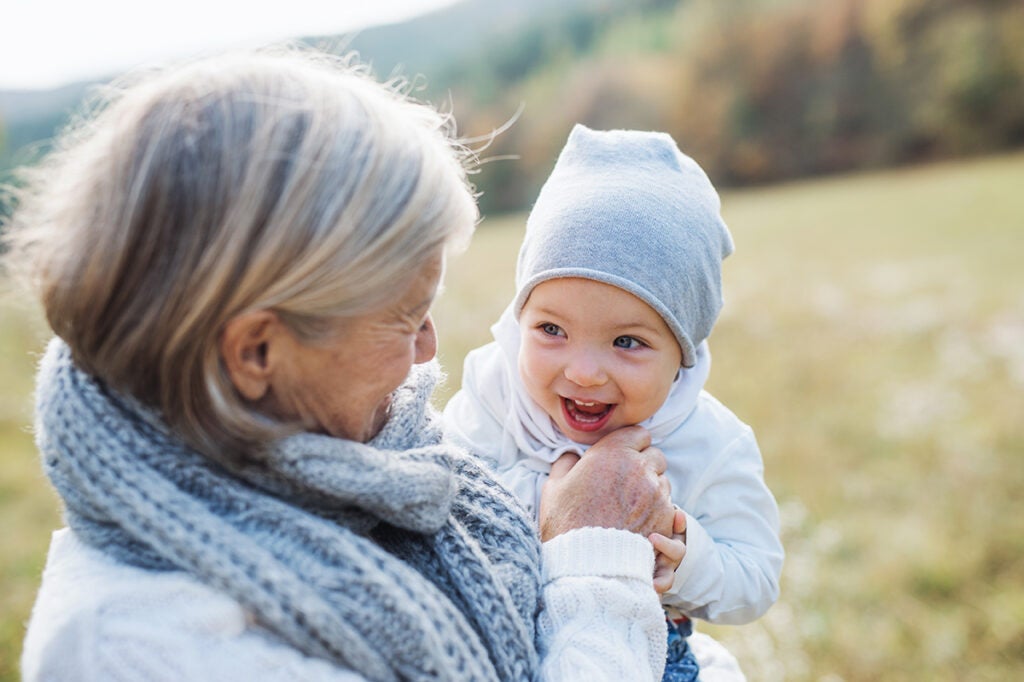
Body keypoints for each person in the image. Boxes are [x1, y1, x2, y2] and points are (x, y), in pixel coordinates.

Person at [3, 51, 682, 681]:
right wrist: (596, 568)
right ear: (257, 353)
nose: (428, 350)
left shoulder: (348, 456)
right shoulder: (143, 651)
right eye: (404, 317)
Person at [443, 125, 786, 681]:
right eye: (551, 328)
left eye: (627, 342)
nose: (582, 371)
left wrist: (683, 555)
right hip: (490, 636)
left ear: (683, 354)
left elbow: (757, 579)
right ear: (519, 319)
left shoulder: (711, 443)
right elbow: (446, 500)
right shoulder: (493, 392)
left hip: (644, 654)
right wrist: (554, 508)